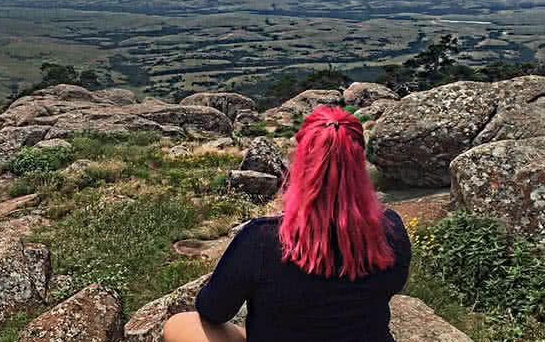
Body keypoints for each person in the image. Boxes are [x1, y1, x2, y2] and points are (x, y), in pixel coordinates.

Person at [164, 106, 411, 342]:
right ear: (359, 163)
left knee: (179, 325)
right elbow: (392, 286)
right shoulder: (391, 230)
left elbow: (212, 310)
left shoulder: (261, 239)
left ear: (301, 163)